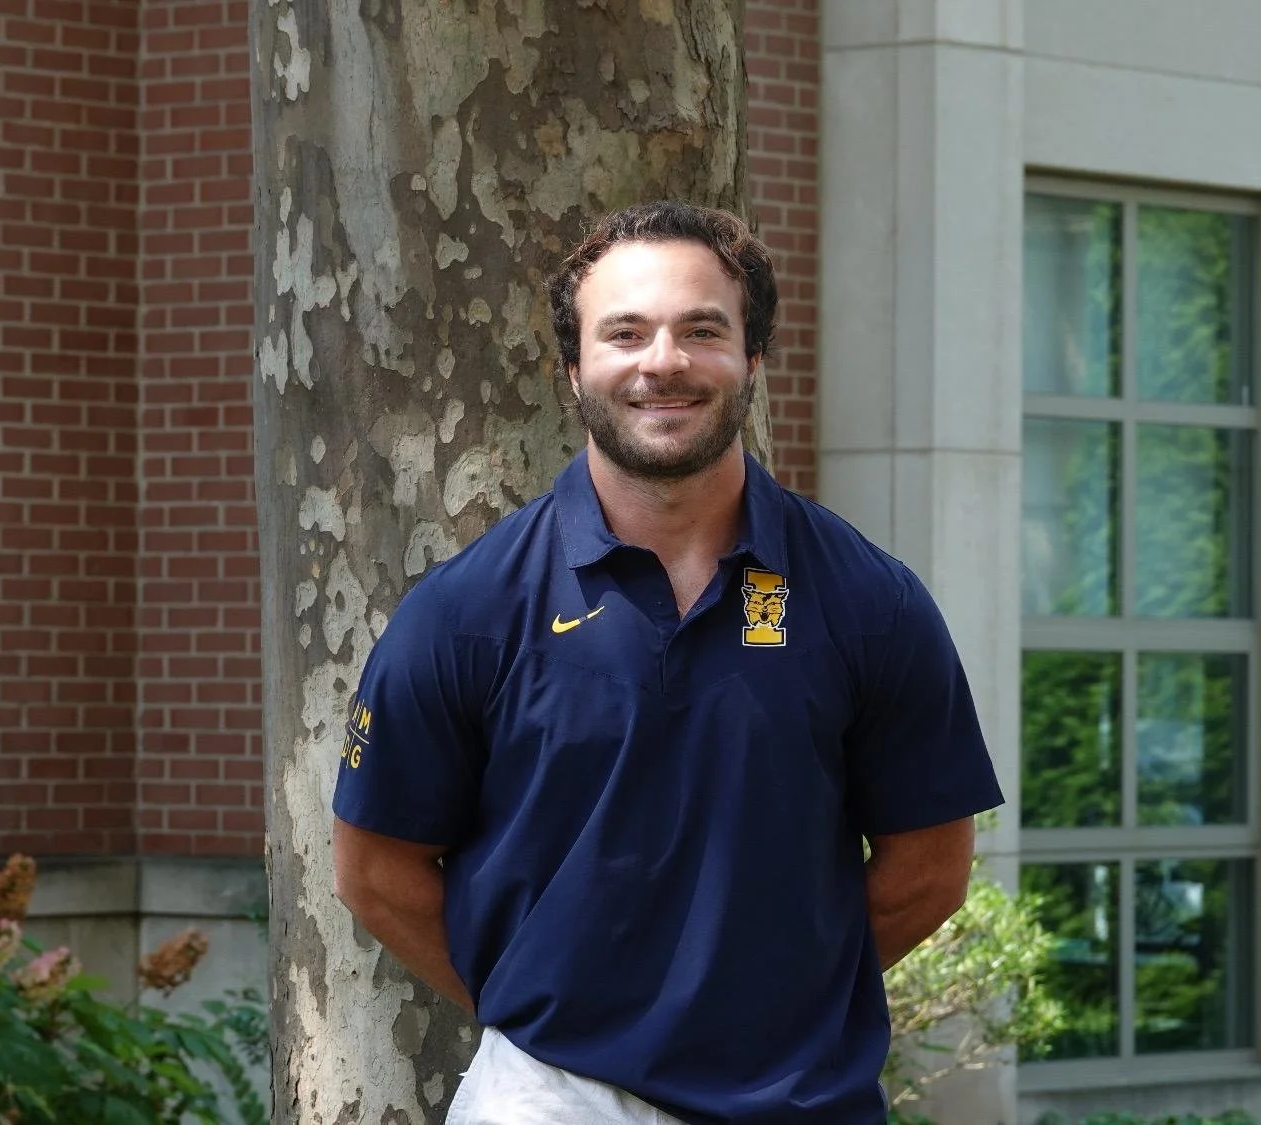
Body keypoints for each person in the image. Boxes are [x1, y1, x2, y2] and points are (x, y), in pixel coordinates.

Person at [331, 200, 1003, 1125]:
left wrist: (773, 1002)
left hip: (801, 1099)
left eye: (702, 330)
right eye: (625, 333)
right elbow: (375, 868)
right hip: (550, 1098)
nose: (663, 363)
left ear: (752, 358)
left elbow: (929, 867)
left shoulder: (870, 603)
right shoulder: (466, 611)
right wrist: (544, 1007)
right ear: (575, 370)